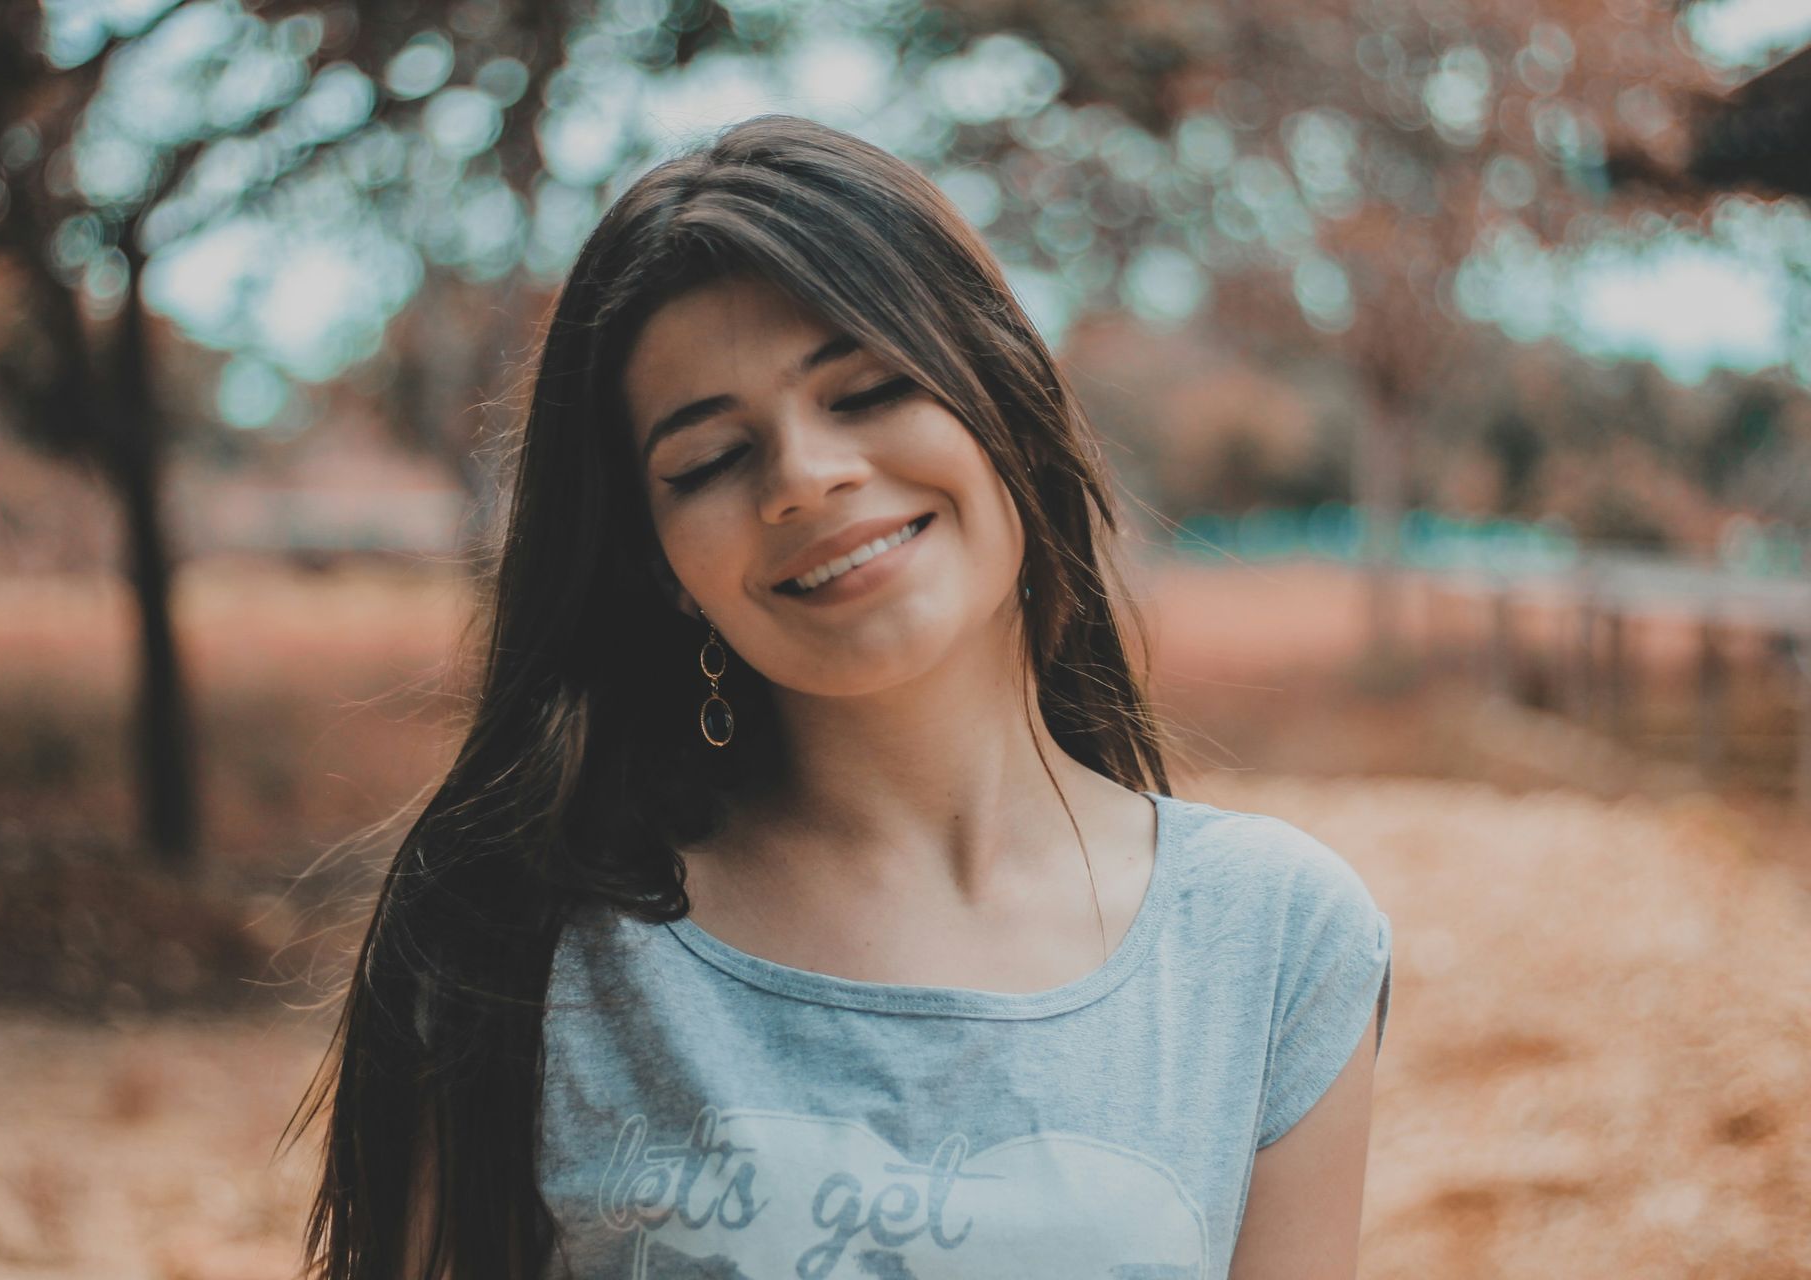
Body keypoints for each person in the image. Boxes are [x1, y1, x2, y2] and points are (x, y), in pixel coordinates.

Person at [290, 113, 1393, 1280]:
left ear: (1002, 398)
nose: (806, 477)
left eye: (865, 390)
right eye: (710, 459)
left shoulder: (1273, 938)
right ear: (660, 566)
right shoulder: (515, 932)